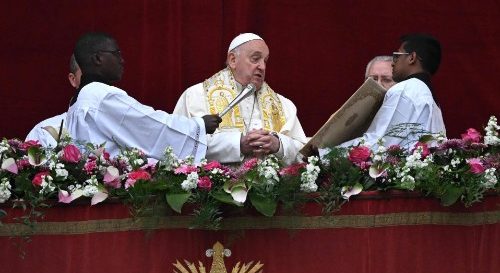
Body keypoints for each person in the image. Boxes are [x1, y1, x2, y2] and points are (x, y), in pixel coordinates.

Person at [66, 32, 221, 163]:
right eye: (116, 53)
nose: (122, 60)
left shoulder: (80, 98)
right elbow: (149, 126)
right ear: (98, 58)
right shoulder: (101, 95)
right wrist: (199, 125)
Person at [173, 33, 307, 165]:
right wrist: (237, 144)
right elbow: (179, 145)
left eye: (265, 61)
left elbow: (305, 153)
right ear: (233, 60)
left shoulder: (284, 105)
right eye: (255, 59)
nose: (263, 67)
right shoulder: (196, 96)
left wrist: (279, 145)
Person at [340, 33, 446, 149]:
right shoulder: (431, 99)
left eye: (397, 56)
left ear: (411, 58)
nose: (393, 62)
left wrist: (324, 153)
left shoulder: (405, 89)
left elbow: (378, 143)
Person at [25, 54, 82, 146]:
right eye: (89, 77)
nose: (99, 85)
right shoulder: (44, 133)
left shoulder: (113, 127)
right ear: (73, 79)